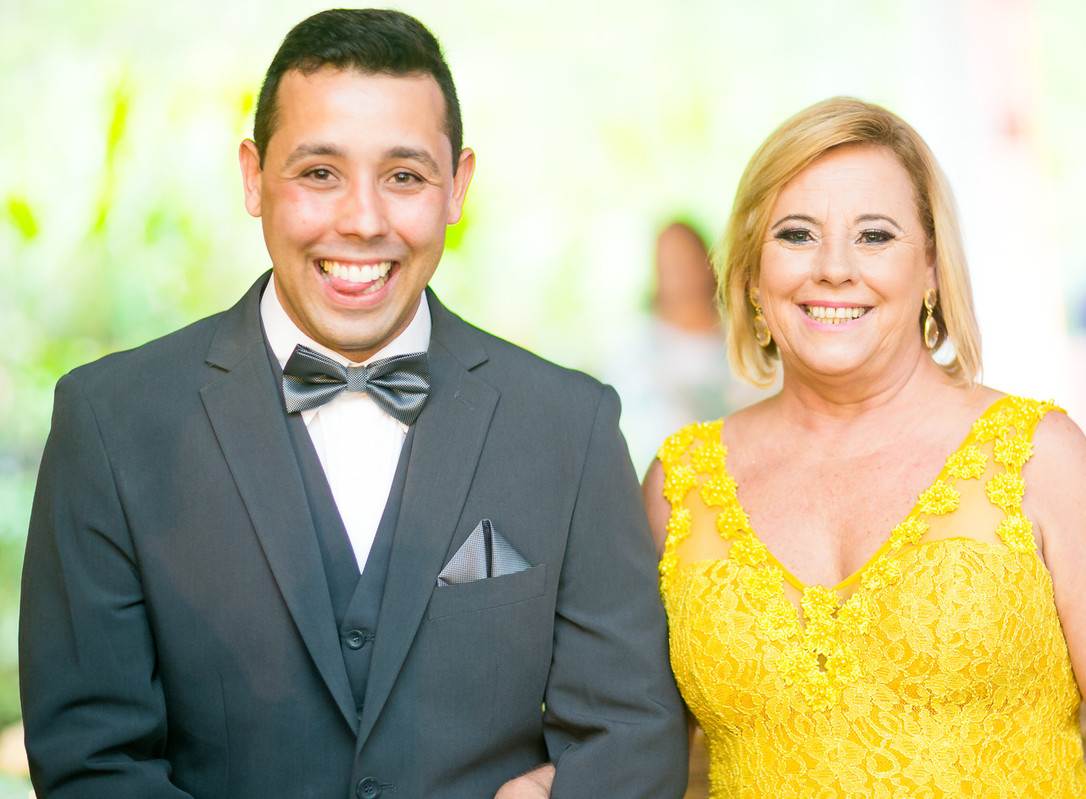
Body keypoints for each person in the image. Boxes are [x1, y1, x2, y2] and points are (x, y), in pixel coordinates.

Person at [19, 9, 687, 798]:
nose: (363, 221)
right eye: (319, 173)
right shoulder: (110, 422)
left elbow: (632, 733)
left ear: (457, 186)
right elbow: (93, 760)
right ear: (252, 177)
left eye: (404, 176)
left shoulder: (570, 427)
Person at [643, 97, 1086, 797]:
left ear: (932, 265)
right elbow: (628, 751)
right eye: (796, 234)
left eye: (875, 235)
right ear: (752, 269)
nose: (834, 268)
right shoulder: (679, 484)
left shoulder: (1039, 457)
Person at [605, 222, 765, 473]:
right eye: (669, 265)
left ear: (709, 262)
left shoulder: (751, 338)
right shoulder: (634, 355)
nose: (680, 273)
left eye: (687, 260)